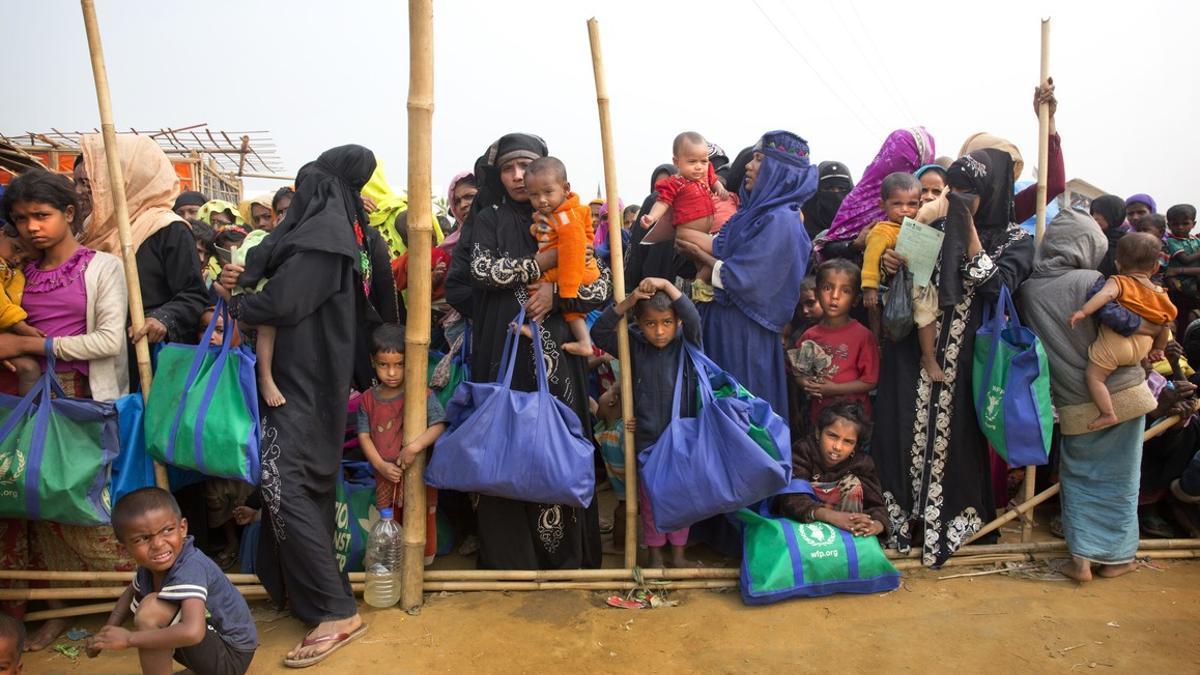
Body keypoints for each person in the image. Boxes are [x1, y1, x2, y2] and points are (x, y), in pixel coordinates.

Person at [215, 145, 388, 667]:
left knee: (286, 485)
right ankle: (317, 597)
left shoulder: (323, 237)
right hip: (306, 382)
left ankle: (336, 612)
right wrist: (241, 283)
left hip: (301, 385)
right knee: (303, 488)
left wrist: (240, 302)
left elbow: (284, 303)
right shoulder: (335, 236)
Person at [444, 132, 609, 570]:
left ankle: (565, 556)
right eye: (509, 169)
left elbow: (603, 284)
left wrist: (558, 290)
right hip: (502, 351)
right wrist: (541, 263)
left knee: (556, 442)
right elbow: (480, 270)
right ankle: (509, 557)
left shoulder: (569, 216)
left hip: (557, 356)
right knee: (502, 442)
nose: (518, 177)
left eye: (527, 167)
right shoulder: (489, 218)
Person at [873, 148, 1035, 567]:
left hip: (967, 360)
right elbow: (906, 279)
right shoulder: (928, 222)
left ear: (994, 192)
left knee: (958, 440)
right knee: (902, 430)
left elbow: (997, 288)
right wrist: (892, 263)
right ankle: (901, 523)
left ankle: (946, 526)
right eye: (954, 189)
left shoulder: (1017, 240)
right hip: (911, 354)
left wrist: (969, 232)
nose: (959, 197)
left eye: (970, 191)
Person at [0, 168, 132, 650]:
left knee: (80, 499)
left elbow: (107, 341)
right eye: (21, 219)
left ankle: (125, 600)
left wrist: (29, 344)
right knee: (32, 506)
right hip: (18, 397)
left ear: (70, 214)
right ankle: (55, 609)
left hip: (78, 397)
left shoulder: (102, 267)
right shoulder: (14, 270)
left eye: (42, 215)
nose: (32, 227)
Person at [1019, 208, 1159, 582]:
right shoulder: (1093, 280)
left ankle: (1081, 559)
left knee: (1078, 478)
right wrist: (1158, 327)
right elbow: (1126, 324)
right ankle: (1117, 558)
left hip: (1072, 400)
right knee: (1122, 480)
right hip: (1124, 392)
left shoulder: (1028, 289)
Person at [677, 130, 818, 424]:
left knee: (742, 418)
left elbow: (752, 281)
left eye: (758, 160)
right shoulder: (755, 214)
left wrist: (703, 258)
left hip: (744, 337)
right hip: (723, 328)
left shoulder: (782, 221)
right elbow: (721, 247)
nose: (749, 167)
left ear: (779, 170)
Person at [592, 277, 702, 568]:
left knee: (682, 499)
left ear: (676, 322)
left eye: (666, 322)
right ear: (639, 324)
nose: (659, 330)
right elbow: (600, 332)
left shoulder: (686, 344)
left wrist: (666, 285)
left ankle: (678, 555)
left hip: (682, 438)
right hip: (647, 438)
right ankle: (654, 556)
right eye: (650, 324)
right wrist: (630, 300)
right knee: (650, 501)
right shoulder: (634, 346)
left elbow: (692, 316)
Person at [86, 488, 257, 675]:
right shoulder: (150, 567)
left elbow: (193, 632)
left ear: (182, 528)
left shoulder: (191, 566)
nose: (158, 544)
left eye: (167, 530)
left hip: (231, 657)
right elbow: (129, 596)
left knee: (151, 610)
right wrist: (106, 633)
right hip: (214, 649)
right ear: (125, 548)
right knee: (151, 607)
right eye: (142, 538)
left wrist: (129, 639)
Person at [77, 134, 208, 354]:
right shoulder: (85, 231)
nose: (79, 192)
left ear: (123, 181)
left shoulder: (168, 228)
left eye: (88, 183)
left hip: (146, 354)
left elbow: (193, 295)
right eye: (76, 183)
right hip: (92, 351)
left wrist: (162, 318)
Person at [356, 323, 446, 565]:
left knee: (422, 516)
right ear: (373, 362)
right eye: (384, 365)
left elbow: (439, 425)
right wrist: (380, 465)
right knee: (388, 519)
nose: (392, 373)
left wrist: (413, 448)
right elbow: (364, 435)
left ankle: (421, 565)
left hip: (417, 473)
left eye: (399, 365)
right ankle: (393, 564)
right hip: (386, 475)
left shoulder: (420, 394)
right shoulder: (367, 399)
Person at [1069, 233, 1176, 430]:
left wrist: (1084, 311)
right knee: (1161, 325)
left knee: (1094, 377)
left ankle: (1107, 413)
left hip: (1115, 345)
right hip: (1142, 347)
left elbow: (1106, 295)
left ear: (1118, 264)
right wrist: (1158, 348)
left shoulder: (1119, 281)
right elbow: (1165, 322)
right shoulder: (1161, 293)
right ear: (1155, 267)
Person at [814, 127, 935, 259]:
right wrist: (855, 245)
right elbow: (826, 247)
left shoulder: (931, 205)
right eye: (890, 158)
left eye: (907, 164)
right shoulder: (858, 199)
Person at [523, 157, 599, 357]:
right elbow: (545, 230)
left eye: (548, 192)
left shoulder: (569, 218)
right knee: (572, 313)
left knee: (536, 284)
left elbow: (573, 254)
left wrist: (565, 291)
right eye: (533, 195)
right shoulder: (555, 212)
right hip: (568, 266)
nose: (541, 200)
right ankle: (584, 342)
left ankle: (535, 326)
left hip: (575, 269)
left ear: (565, 189)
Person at [777, 401, 888, 538]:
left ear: (856, 446)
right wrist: (831, 516)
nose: (838, 447)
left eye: (848, 441)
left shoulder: (862, 463)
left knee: (852, 485)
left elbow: (877, 505)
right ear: (818, 433)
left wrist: (876, 525)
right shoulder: (803, 451)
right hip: (805, 530)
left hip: (847, 532)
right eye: (832, 436)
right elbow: (791, 497)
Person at [960, 81, 1065, 225]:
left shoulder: (1005, 213)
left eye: (1001, 171)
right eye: (985, 169)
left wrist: (1048, 121)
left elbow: (1054, 184)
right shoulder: (940, 208)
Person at [794, 259, 879, 426]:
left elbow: (870, 381)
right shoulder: (809, 336)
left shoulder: (863, 336)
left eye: (845, 291)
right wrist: (805, 383)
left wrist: (833, 389)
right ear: (817, 294)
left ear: (855, 300)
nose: (834, 296)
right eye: (827, 288)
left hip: (854, 422)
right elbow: (799, 373)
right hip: (819, 419)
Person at [639, 131, 729, 272]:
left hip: (705, 233)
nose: (699, 166)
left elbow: (714, 181)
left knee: (704, 265)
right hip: (687, 233)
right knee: (720, 251)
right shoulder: (675, 183)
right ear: (677, 162)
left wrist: (720, 188)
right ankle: (700, 286)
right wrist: (652, 217)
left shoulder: (706, 174)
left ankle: (700, 285)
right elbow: (663, 203)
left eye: (704, 161)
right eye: (692, 161)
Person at [860, 172, 921, 338]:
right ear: (882, 204)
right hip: (881, 287)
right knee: (876, 311)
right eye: (897, 204)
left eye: (912, 204)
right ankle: (877, 342)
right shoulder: (882, 231)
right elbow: (871, 258)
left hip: (905, 288)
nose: (905, 210)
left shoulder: (917, 228)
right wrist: (869, 288)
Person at [0, 224, 41, 393]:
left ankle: (28, 418)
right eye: (16, 248)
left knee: (29, 369)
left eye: (25, 260)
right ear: (2, 233)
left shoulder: (15, 273)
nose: (17, 260)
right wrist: (20, 326)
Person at [1164, 204, 1200, 333]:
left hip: (1193, 283)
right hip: (1181, 286)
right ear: (1169, 225)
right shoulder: (1172, 241)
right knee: (1180, 316)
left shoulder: (1195, 239)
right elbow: (1185, 259)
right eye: (1175, 224)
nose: (1180, 227)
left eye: (1185, 223)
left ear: (1193, 224)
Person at [800, 160, 854, 241]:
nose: (836, 194)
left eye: (842, 189)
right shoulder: (800, 222)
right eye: (828, 189)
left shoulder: (861, 223)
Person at [1091, 194, 1129, 277]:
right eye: (1093, 213)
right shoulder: (1090, 238)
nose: (1094, 217)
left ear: (1115, 214)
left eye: (1099, 213)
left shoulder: (1128, 243)